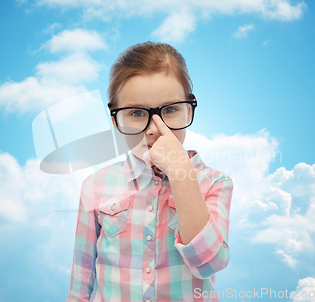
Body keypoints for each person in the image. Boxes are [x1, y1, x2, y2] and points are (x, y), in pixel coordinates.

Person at [66, 41, 234, 302]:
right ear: (115, 118)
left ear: (189, 107)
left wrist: (181, 173)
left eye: (169, 110)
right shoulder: (95, 185)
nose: (154, 129)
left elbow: (209, 264)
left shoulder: (214, 183)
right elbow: (82, 279)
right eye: (135, 112)